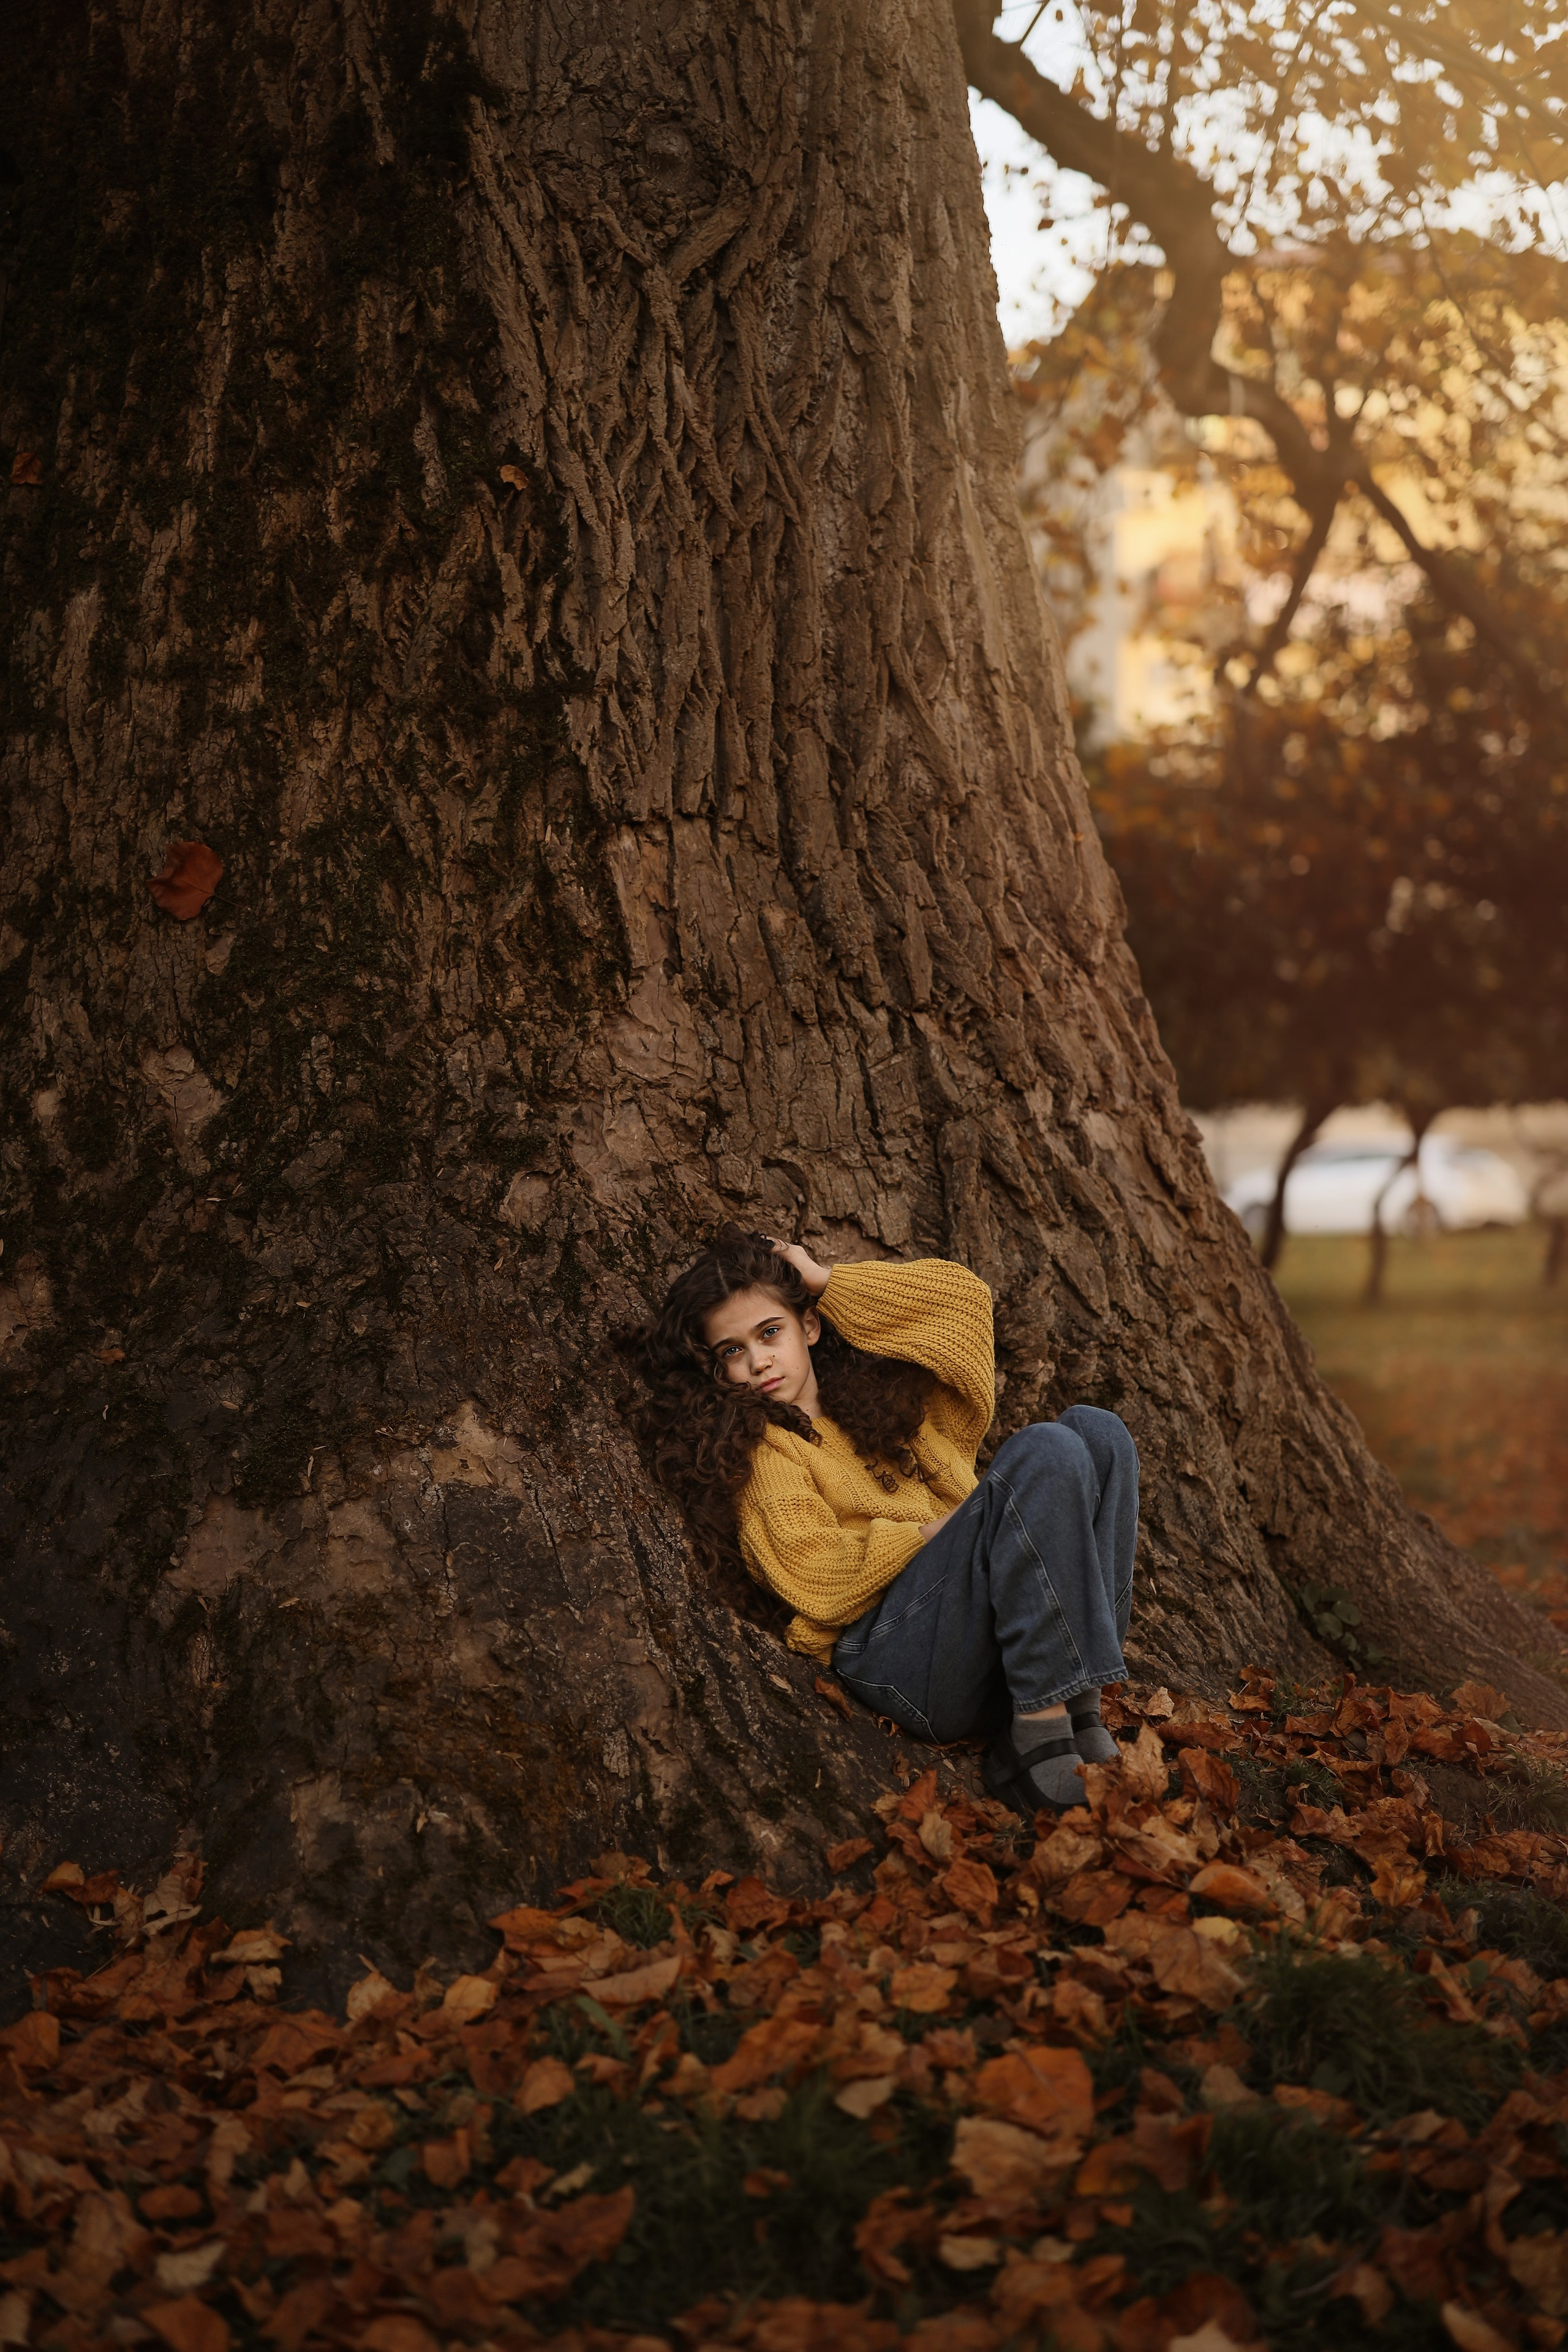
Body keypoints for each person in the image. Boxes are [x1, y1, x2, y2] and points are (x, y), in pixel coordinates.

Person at [634, 1226, 1139, 1817]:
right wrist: (932, 1533)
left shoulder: (889, 1413)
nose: (758, 1361)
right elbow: (811, 1572)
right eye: (732, 1351)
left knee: (1096, 1432)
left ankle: (1078, 1706)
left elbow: (964, 1305)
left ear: (810, 1327)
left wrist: (824, 1279)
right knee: (1048, 1450)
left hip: (998, 1638)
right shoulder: (763, 1450)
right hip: (903, 1660)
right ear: (719, 1372)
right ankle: (1035, 1741)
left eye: (770, 1332)